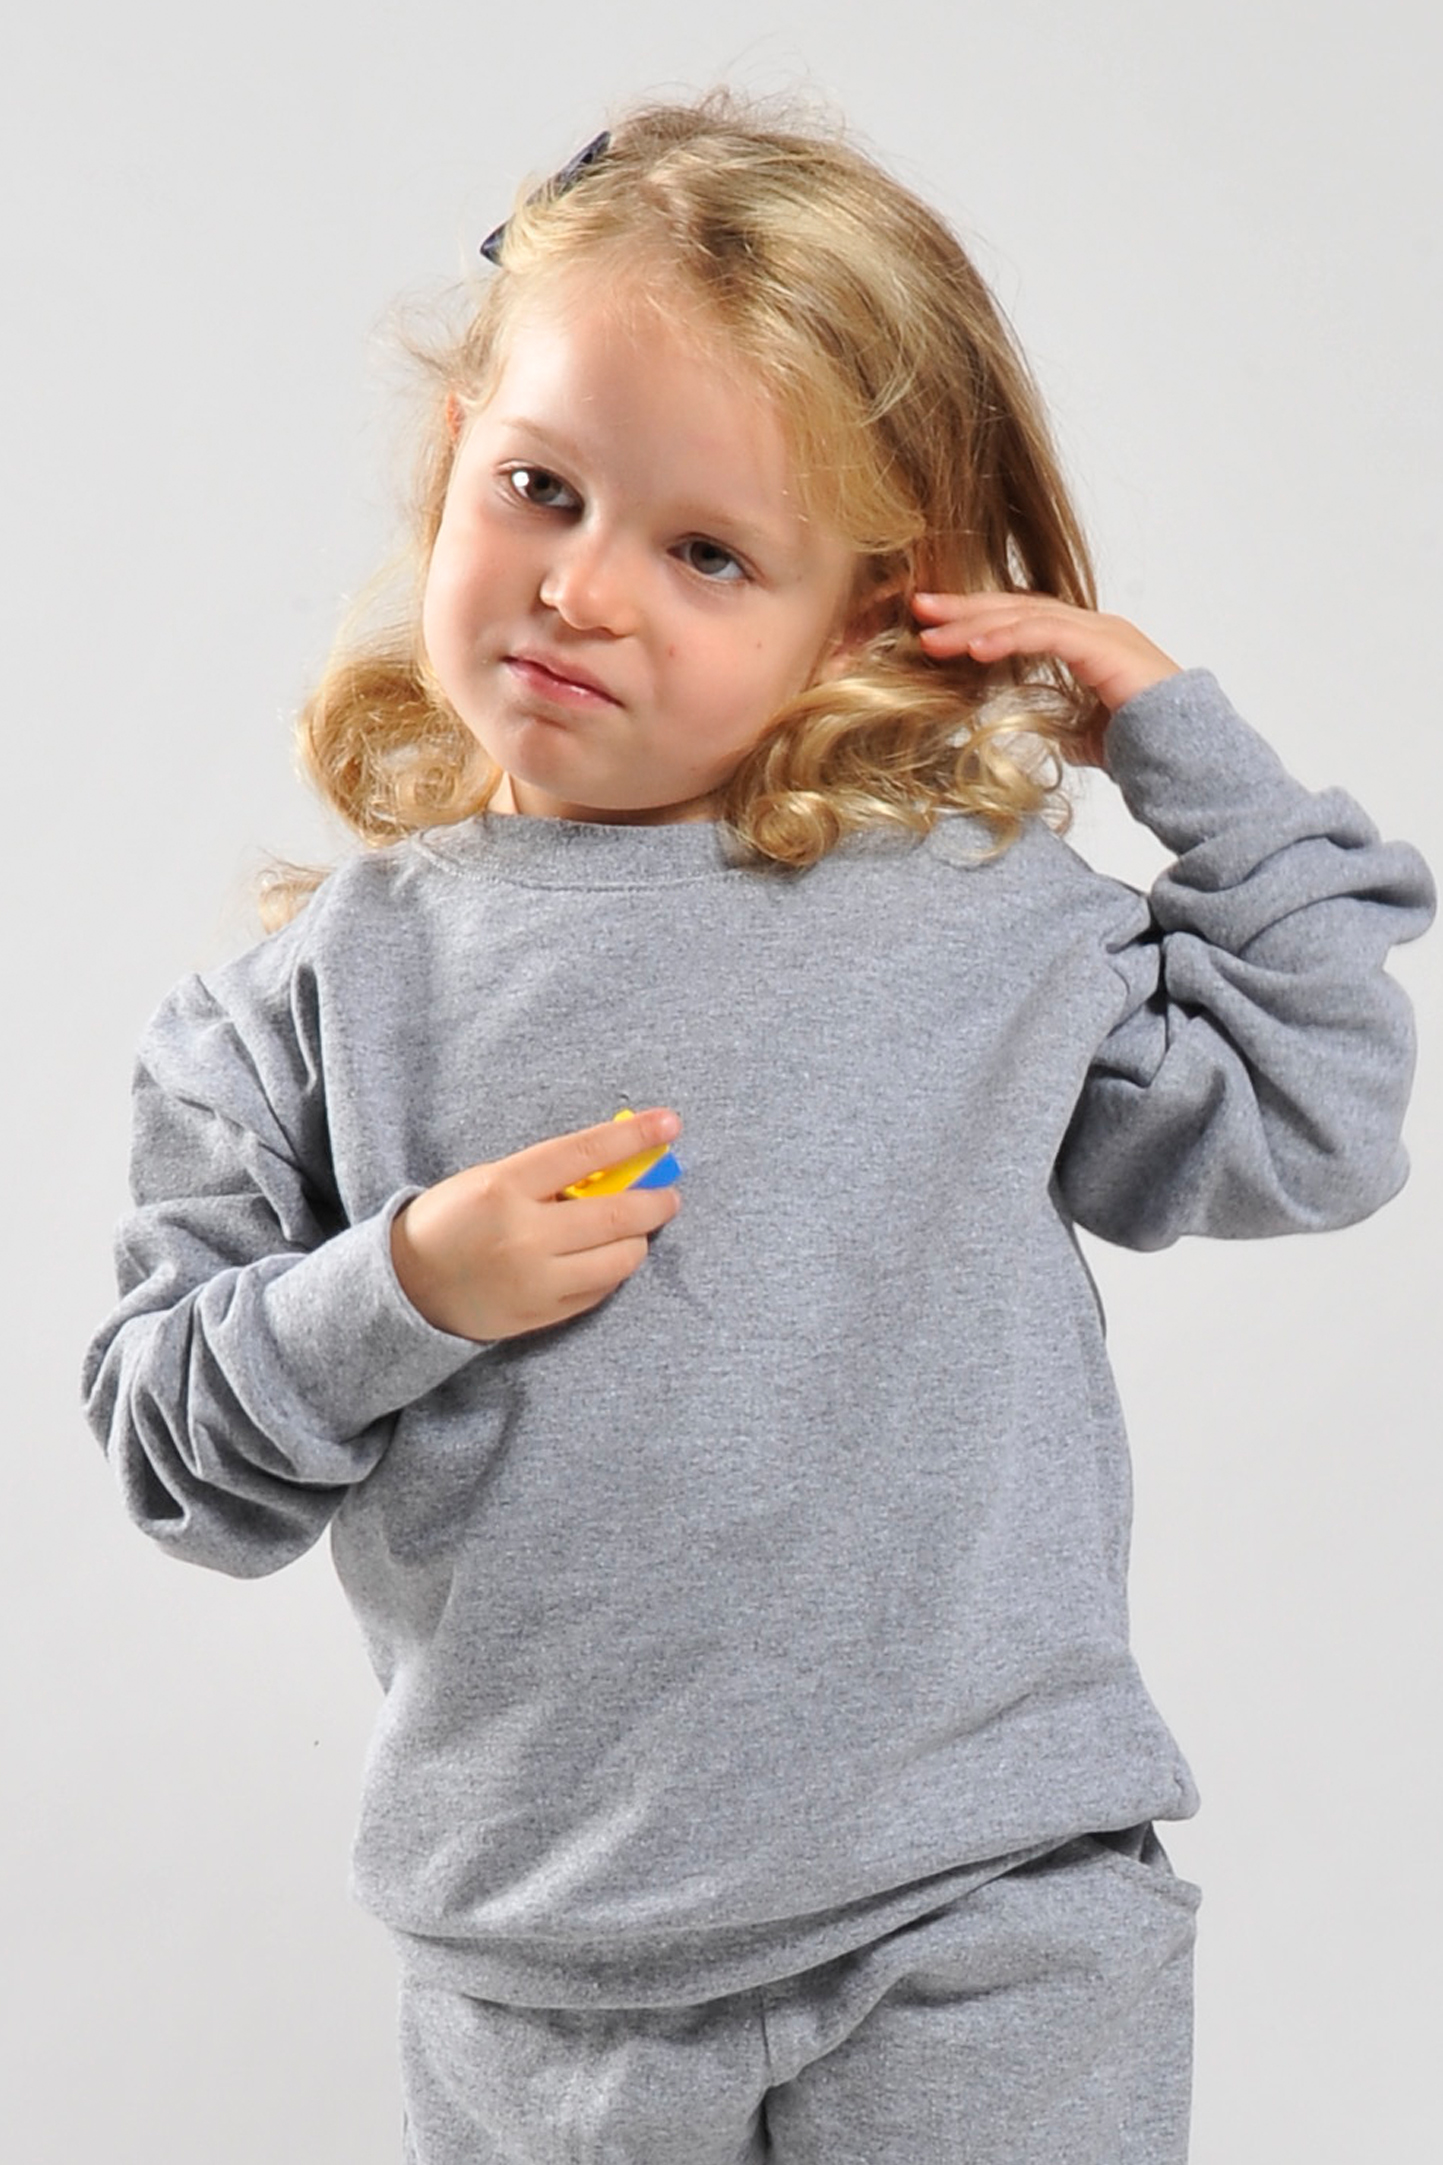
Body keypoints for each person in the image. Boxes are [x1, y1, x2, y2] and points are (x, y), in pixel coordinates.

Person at [83, 92, 1434, 2165]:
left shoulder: (975, 925)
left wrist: (1179, 740)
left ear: (863, 617)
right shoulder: (297, 1013)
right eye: (540, 489)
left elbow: (1319, 1122)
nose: (580, 589)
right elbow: (175, 1458)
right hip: (545, 1980)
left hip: (983, 1917)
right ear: (457, 461)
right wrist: (399, 1290)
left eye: (706, 550)